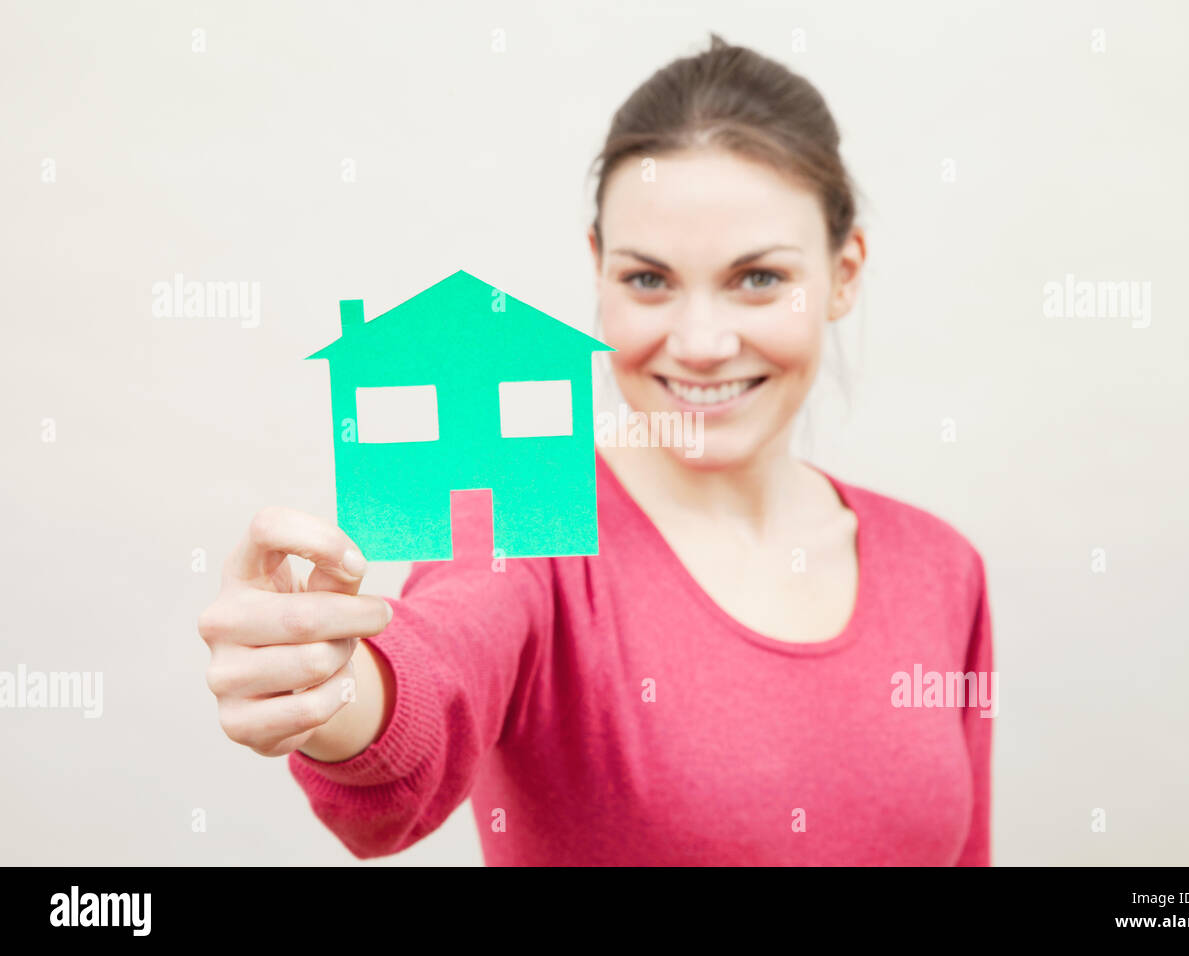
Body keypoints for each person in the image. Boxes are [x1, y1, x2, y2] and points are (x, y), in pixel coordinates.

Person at [197, 34, 993, 865]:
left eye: (758, 278)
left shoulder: (942, 569)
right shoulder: (530, 527)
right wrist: (334, 687)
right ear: (598, 270)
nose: (701, 342)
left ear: (845, 272)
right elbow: (431, 678)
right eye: (648, 280)